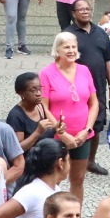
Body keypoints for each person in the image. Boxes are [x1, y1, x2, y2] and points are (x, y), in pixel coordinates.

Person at [39, 32, 99, 201]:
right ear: (57, 50)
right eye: (66, 47)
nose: (71, 50)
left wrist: (87, 130)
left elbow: (94, 103)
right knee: (54, 178)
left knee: (78, 179)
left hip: (82, 135)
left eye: (74, 47)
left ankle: (75, 214)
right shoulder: (46, 73)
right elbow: (43, 106)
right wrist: (61, 133)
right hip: (57, 136)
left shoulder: (84, 70)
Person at [67, 0, 110, 177]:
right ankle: (69, 160)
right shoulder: (68, 35)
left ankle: (90, 161)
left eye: (87, 9)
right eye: (81, 9)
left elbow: (107, 61)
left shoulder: (101, 33)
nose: (85, 11)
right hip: (76, 89)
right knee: (75, 123)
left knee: (97, 124)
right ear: (73, 13)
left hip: (98, 87)